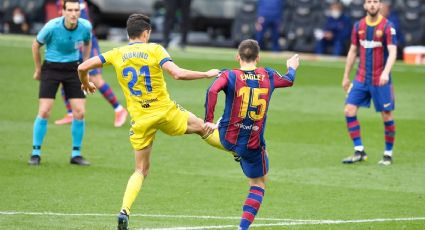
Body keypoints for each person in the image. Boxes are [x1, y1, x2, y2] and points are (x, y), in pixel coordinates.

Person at [78, 14, 219, 230]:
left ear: (128, 34)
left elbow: (82, 67)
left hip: (141, 120)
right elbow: (177, 74)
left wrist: (86, 83)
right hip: (165, 112)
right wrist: (207, 74)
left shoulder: (117, 53)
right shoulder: (155, 49)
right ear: (146, 33)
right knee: (202, 128)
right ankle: (236, 150)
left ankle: (124, 210)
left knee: (140, 170)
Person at [203, 39, 300, 229]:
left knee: (220, 126)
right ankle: (243, 227)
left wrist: (208, 118)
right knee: (258, 183)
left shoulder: (230, 75)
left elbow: (212, 90)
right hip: (252, 143)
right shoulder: (269, 75)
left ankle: (220, 137)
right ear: (258, 57)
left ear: (237, 57)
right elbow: (289, 80)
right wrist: (292, 67)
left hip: (227, 137)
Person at [28, 0, 92, 166]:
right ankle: (35, 153)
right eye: (69, 10)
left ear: (80, 12)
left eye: (76, 10)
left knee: (79, 112)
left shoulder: (85, 26)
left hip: (73, 69)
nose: (73, 13)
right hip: (51, 68)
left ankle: (76, 154)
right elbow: (35, 45)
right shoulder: (52, 27)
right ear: (62, 12)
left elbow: (87, 42)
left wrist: (84, 64)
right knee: (44, 111)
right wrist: (38, 69)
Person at [54, 0, 128, 127]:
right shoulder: (60, 2)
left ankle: (119, 109)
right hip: (71, 43)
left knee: (95, 79)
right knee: (64, 76)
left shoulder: (78, 3)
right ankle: (71, 114)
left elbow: (83, 25)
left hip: (87, 43)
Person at [341, 0, 397, 166]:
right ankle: (359, 150)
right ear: (365, 5)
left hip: (381, 80)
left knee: (386, 115)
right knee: (349, 110)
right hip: (361, 78)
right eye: (369, 2)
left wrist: (386, 72)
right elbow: (353, 50)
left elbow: (393, 52)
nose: (372, 5)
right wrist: (346, 76)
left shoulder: (388, 27)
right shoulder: (358, 26)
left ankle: (388, 153)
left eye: (375, 2)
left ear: (380, 5)